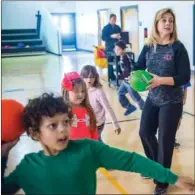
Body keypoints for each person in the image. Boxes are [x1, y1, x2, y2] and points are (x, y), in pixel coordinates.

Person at [2, 93, 194, 194]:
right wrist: (3, 155)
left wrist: (172, 177)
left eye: (66, 122)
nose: (62, 129)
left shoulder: (88, 149)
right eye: (52, 125)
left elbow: (131, 160)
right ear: (35, 133)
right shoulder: (28, 166)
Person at [133, 8, 191, 195]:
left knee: (165, 142)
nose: (168, 23)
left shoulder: (178, 48)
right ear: (156, 24)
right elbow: (138, 66)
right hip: (153, 98)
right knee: (145, 132)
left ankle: (162, 180)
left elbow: (183, 77)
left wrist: (160, 80)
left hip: (171, 102)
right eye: (164, 20)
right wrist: (134, 77)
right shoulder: (149, 46)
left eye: (171, 21)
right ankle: (156, 168)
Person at [80, 65, 121, 142]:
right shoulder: (81, 89)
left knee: (96, 141)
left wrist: (115, 124)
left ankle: (104, 152)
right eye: (86, 77)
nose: (89, 79)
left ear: (95, 77)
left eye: (92, 77)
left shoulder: (98, 92)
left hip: (98, 123)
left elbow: (107, 108)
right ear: (82, 77)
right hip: (87, 122)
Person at [61, 72, 98, 140]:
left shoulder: (88, 110)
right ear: (66, 92)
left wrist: (95, 145)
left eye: (83, 91)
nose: (80, 94)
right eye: (76, 92)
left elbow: (94, 130)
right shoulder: (63, 112)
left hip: (88, 147)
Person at [115, 40, 145, 115]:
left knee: (136, 98)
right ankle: (130, 107)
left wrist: (120, 76)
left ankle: (145, 110)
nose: (116, 51)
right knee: (120, 94)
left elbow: (127, 71)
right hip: (125, 82)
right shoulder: (123, 56)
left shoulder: (125, 57)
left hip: (130, 82)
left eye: (118, 49)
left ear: (123, 50)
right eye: (115, 49)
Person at [102, 13, 121, 82]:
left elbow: (121, 35)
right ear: (109, 19)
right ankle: (111, 76)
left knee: (118, 61)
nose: (114, 21)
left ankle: (120, 74)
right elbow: (103, 38)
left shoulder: (117, 27)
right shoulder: (106, 28)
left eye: (115, 20)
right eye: (113, 20)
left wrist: (119, 36)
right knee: (110, 62)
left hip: (117, 47)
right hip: (109, 48)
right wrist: (111, 36)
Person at [174, 81, 191, 148]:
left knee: (178, 122)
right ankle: (168, 139)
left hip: (179, 101)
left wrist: (184, 98)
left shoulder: (184, 73)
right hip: (168, 100)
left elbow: (185, 87)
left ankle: (172, 138)